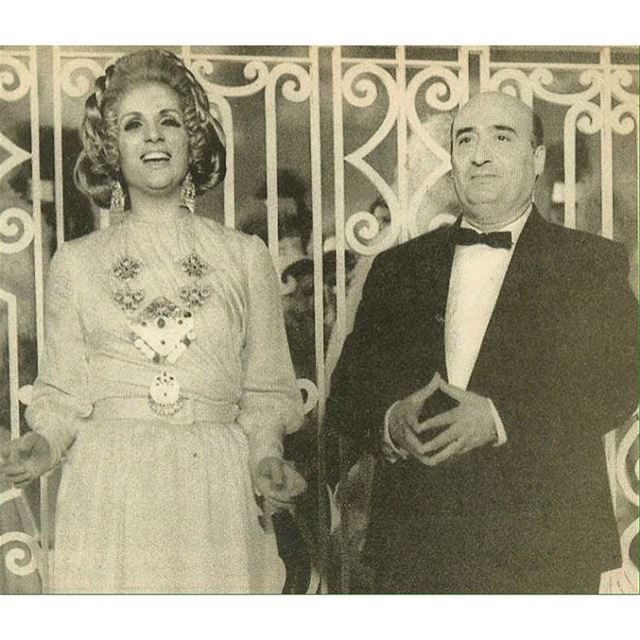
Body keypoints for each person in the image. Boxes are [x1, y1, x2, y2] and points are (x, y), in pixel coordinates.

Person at [0, 49, 306, 594]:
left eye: (170, 121)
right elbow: (63, 395)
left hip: (215, 486)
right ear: (111, 147)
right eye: (133, 125)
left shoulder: (245, 256)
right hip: (110, 486)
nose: (154, 137)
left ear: (193, 137)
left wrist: (267, 456)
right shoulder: (76, 262)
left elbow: (266, 390)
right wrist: (41, 445)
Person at [325, 92, 637, 594]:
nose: (480, 155)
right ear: (451, 159)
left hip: (545, 549)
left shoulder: (590, 264)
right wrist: (390, 420)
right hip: (416, 548)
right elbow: (347, 393)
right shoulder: (397, 269)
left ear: (538, 159)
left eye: (502, 137)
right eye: (465, 140)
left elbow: (616, 385)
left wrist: (499, 419)